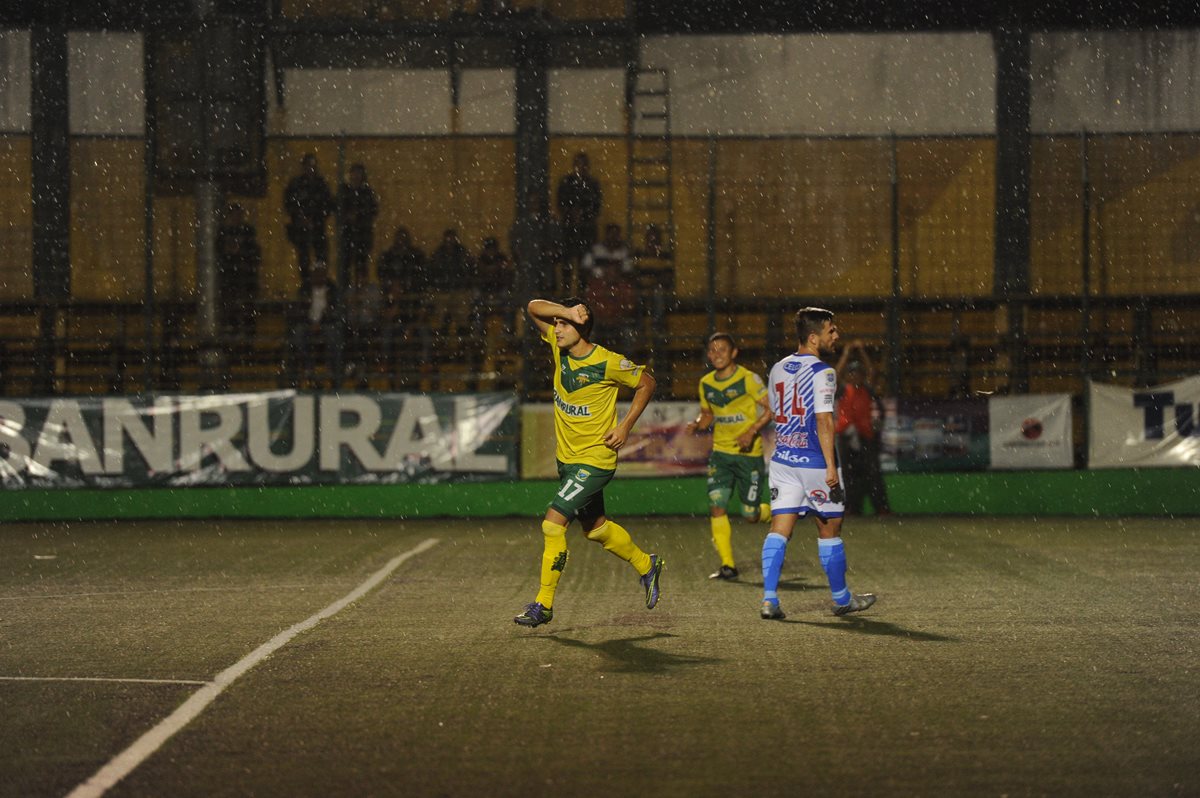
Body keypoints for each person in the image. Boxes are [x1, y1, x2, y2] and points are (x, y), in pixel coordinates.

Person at [514, 297, 663, 627]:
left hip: (595, 461)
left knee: (553, 524)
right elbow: (533, 307)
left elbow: (647, 381)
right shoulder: (559, 348)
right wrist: (564, 312)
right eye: (556, 323)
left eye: (564, 324)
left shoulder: (607, 362)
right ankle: (646, 564)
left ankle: (544, 604)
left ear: (582, 329)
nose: (556, 328)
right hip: (567, 461)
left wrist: (625, 425)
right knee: (595, 529)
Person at [760, 307, 876, 620]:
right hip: (814, 461)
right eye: (831, 331)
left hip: (783, 460)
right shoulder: (823, 372)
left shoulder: (778, 368)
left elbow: (775, 412)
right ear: (814, 338)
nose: (836, 335)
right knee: (830, 529)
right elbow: (824, 421)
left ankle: (769, 599)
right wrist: (829, 466)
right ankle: (841, 599)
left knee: (779, 529)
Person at [685, 332, 773, 580]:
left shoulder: (748, 379)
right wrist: (697, 424)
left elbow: (771, 409)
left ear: (734, 353)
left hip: (748, 455)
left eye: (722, 349)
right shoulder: (706, 383)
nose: (716, 355)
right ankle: (728, 565)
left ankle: (771, 514)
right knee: (717, 507)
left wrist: (750, 431)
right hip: (721, 455)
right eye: (712, 351)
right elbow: (708, 414)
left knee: (750, 515)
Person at [835, 341, 892, 517]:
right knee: (846, 474)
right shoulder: (843, 389)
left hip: (864, 435)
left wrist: (861, 351)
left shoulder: (866, 389)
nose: (856, 376)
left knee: (873, 474)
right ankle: (850, 507)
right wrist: (846, 353)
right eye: (853, 373)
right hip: (846, 435)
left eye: (859, 373)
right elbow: (836, 374)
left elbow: (872, 372)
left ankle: (880, 507)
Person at [285, 261, 344, 390]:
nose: (318, 275)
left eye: (321, 272)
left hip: (327, 324)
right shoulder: (304, 289)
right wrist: (310, 323)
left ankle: (331, 369)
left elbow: (334, 311)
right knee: (299, 333)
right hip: (307, 324)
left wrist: (321, 323)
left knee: (333, 334)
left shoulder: (332, 289)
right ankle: (307, 367)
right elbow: (300, 310)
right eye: (316, 272)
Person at [283, 153, 335, 294]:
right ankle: (306, 288)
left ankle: (320, 289)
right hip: (301, 230)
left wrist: (315, 219)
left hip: (317, 229)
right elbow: (289, 204)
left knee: (320, 259)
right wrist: (301, 218)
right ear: (303, 167)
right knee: (304, 261)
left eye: (313, 166)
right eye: (308, 166)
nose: (310, 169)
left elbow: (327, 206)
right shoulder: (296, 184)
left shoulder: (321, 184)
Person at [582, 223, 637, 354]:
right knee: (590, 330)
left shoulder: (624, 286)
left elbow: (629, 306)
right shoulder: (596, 284)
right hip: (599, 320)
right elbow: (591, 304)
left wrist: (616, 319)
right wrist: (601, 318)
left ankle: (626, 365)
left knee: (628, 333)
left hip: (619, 321)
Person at [215, 203, 261, 342]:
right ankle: (234, 330)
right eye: (234, 215)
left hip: (244, 276)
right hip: (230, 276)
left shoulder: (247, 232)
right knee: (230, 306)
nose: (236, 218)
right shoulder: (224, 233)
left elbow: (254, 252)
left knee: (246, 306)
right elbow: (220, 251)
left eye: (238, 214)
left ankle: (247, 334)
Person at [557, 152, 602, 288]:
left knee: (585, 266)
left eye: (584, 164)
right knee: (567, 265)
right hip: (569, 229)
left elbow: (596, 207)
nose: (581, 167)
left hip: (586, 229)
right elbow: (561, 204)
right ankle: (567, 294)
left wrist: (582, 214)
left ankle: (583, 293)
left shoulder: (593, 184)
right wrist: (572, 214)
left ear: (587, 166)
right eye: (578, 164)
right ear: (574, 166)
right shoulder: (566, 183)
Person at [335, 163, 379, 288]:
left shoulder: (366, 192)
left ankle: (360, 293)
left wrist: (359, 215)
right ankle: (345, 293)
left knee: (361, 265)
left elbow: (373, 210)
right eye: (354, 173)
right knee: (345, 266)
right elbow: (337, 208)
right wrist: (347, 217)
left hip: (362, 235)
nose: (356, 176)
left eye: (358, 173)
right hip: (348, 234)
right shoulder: (344, 191)